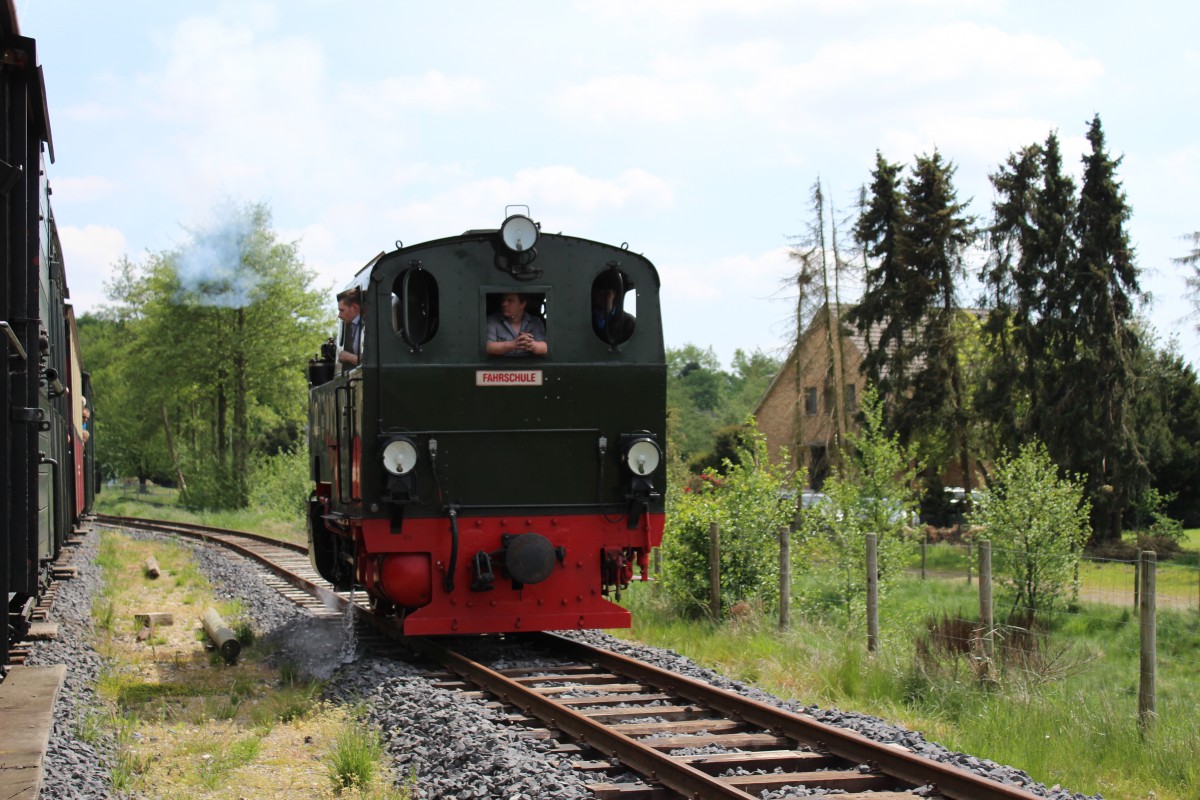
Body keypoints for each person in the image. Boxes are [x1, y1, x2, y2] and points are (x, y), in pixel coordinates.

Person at [592, 274, 635, 343]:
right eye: (599, 294)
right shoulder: (585, 318)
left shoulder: (628, 322)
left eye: (607, 293)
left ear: (614, 294)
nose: (603, 297)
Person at [337, 291, 363, 367]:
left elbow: (370, 360)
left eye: (342, 310)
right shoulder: (355, 326)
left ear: (354, 308)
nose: (339, 315)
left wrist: (347, 357)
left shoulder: (366, 327)